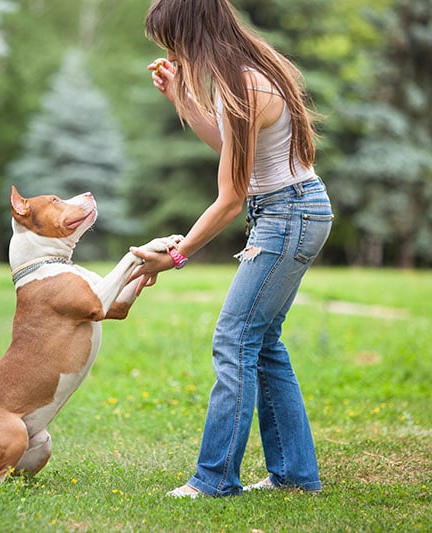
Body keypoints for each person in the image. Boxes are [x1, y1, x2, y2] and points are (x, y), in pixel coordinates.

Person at [129, 0, 333, 498]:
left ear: (192, 35)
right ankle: (295, 475)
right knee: (261, 344)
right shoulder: (249, 68)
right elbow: (232, 146)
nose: (175, 55)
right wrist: (185, 100)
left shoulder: (243, 82)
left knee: (234, 339)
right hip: (295, 211)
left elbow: (230, 199)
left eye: (174, 44)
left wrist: (176, 256)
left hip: (287, 215)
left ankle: (215, 478)